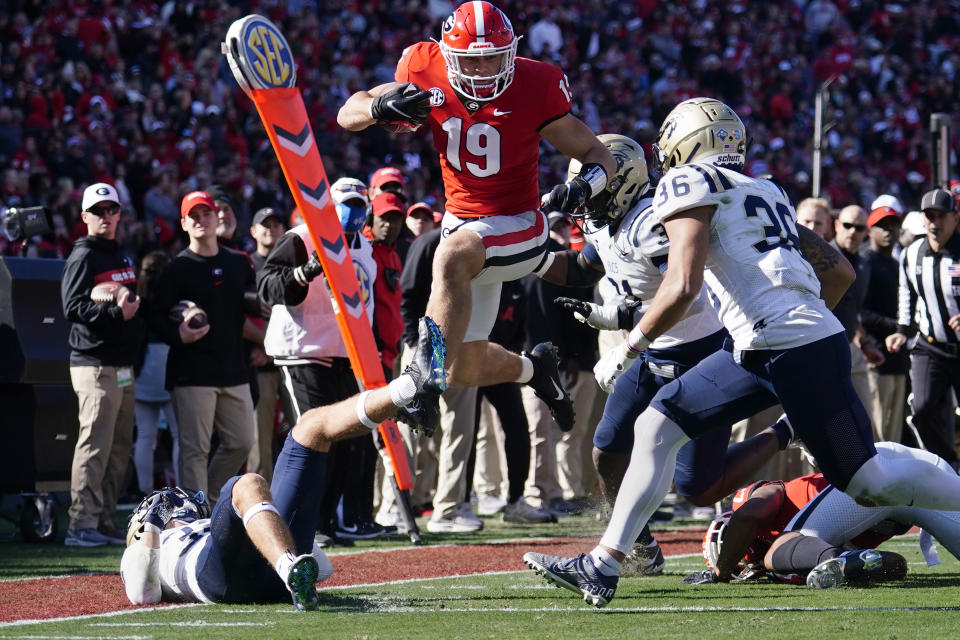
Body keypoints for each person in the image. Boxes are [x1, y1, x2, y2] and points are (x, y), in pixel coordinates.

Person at [522, 97, 960, 607]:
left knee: (869, 483)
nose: (666, 157)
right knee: (656, 425)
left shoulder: (689, 183)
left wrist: (629, 346)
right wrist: (799, 318)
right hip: (766, 344)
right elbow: (838, 270)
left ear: (688, 143)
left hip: (787, 346)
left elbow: (683, 284)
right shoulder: (764, 188)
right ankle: (603, 565)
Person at [337, 0, 616, 436]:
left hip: (519, 221)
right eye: (473, 58)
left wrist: (583, 187)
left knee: (449, 257)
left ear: (512, 51)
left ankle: (420, 382)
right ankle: (533, 370)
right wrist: (379, 109)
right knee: (463, 366)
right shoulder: (421, 67)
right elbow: (348, 112)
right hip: (462, 220)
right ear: (447, 54)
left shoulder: (536, 82)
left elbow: (597, 154)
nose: (484, 69)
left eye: (493, 56)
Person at [546, 134, 794, 574]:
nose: (584, 200)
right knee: (607, 448)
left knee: (697, 487)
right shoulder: (607, 221)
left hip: (700, 350)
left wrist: (622, 320)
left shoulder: (649, 219)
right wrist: (524, 257)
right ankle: (637, 540)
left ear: (622, 183)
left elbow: (689, 294)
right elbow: (582, 267)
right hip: (652, 350)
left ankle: (785, 431)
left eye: (592, 187)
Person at [120, 316, 447, 609]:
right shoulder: (148, 546)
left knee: (310, 427)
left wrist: (269, 527)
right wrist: (152, 522)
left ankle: (408, 390)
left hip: (272, 571)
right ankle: (290, 571)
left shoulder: (214, 524)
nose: (176, 505)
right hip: (217, 578)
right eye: (168, 506)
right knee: (247, 482)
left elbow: (322, 566)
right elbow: (141, 594)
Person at [257, 177, 387, 542]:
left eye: (360, 205)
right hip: (301, 353)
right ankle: (299, 526)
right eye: (345, 203)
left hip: (345, 354)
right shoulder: (300, 237)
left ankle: (324, 524)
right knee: (313, 440)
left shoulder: (366, 247)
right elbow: (267, 286)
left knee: (350, 440)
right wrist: (306, 271)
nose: (352, 212)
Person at [685, 441, 960, 589]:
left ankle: (839, 559)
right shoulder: (798, 557)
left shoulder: (757, 513)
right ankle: (842, 559)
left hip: (876, 470)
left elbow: (750, 514)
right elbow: (897, 566)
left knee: (777, 554)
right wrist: (860, 566)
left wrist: (720, 573)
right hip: (918, 477)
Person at [147, 190, 256, 504]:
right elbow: (153, 314)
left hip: (234, 370)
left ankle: (206, 497)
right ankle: (195, 515)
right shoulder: (177, 268)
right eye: (193, 216)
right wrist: (177, 334)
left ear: (215, 217)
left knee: (242, 441)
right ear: (183, 223)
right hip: (192, 374)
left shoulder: (237, 262)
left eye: (206, 213)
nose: (201, 220)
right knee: (195, 449)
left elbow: (253, 306)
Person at [61, 182, 144, 547]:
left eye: (111, 210)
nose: (106, 217)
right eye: (98, 211)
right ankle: (81, 524)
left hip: (122, 366)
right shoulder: (84, 256)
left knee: (119, 445)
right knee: (95, 443)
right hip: (94, 364)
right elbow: (72, 307)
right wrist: (114, 312)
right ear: (85, 217)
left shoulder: (121, 255)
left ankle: (105, 519)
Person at [886, 188, 960, 469]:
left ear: (955, 218)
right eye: (930, 216)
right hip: (930, 346)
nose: (935, 223)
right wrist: (902, 330)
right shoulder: (911, 253)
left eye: (942, 216)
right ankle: (948, 465)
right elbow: (907, 294)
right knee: (922, 408)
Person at [830, 204, 883, 428]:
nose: (853, 231)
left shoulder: (864, 264)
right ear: (836, 226)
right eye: (848, 225)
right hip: (822, 351)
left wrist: (865, 342)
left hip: (851, 350)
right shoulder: (823, 258)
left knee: (864, 423)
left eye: (859, 227)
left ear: (866, 233)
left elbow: (855, 310)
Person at [247, 207, 289, 482]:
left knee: (303, 431)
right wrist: (263, 347)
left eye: (276, 225)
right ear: (253, 231)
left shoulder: (293, 266)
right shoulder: (246, 265)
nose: (270, 230)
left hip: (290, 359)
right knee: (258, 442)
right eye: (264, 225)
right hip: (259, 362)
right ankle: (258, 504)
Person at [861, 203, 908, 443]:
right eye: (882, 225)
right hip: (875, 355)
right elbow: (861, 312)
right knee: (878, 432)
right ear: (869, 231)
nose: (889, 230)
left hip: (898, 356)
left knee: (894, 431)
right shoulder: (865, 262)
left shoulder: (896, 264)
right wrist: (896, 325)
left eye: (893, 224)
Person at [133, 250, 179, 494]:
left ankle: (145, 492)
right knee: (180, 435)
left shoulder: (137, 300)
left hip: (142, 369)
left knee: (145, 436)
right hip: (165, 364)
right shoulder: (169, 299)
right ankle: (184, 491)